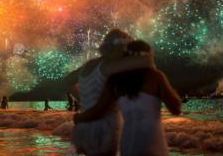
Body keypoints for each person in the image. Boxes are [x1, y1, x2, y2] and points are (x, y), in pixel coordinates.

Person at [74, 40, 181, 156]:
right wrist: (174, 93)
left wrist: (79, 117)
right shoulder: (155, 77)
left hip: (128, 144)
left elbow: (98, 111)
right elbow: (175, 109)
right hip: (152, 142)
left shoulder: (115, 80)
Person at [65, 28, 155, 156]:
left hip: (86, 127)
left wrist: (84, 99)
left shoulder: (89, 64)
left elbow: (66, 81)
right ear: (121, 48)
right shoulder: (110, 65)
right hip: (104, 126)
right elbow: (147, 61)